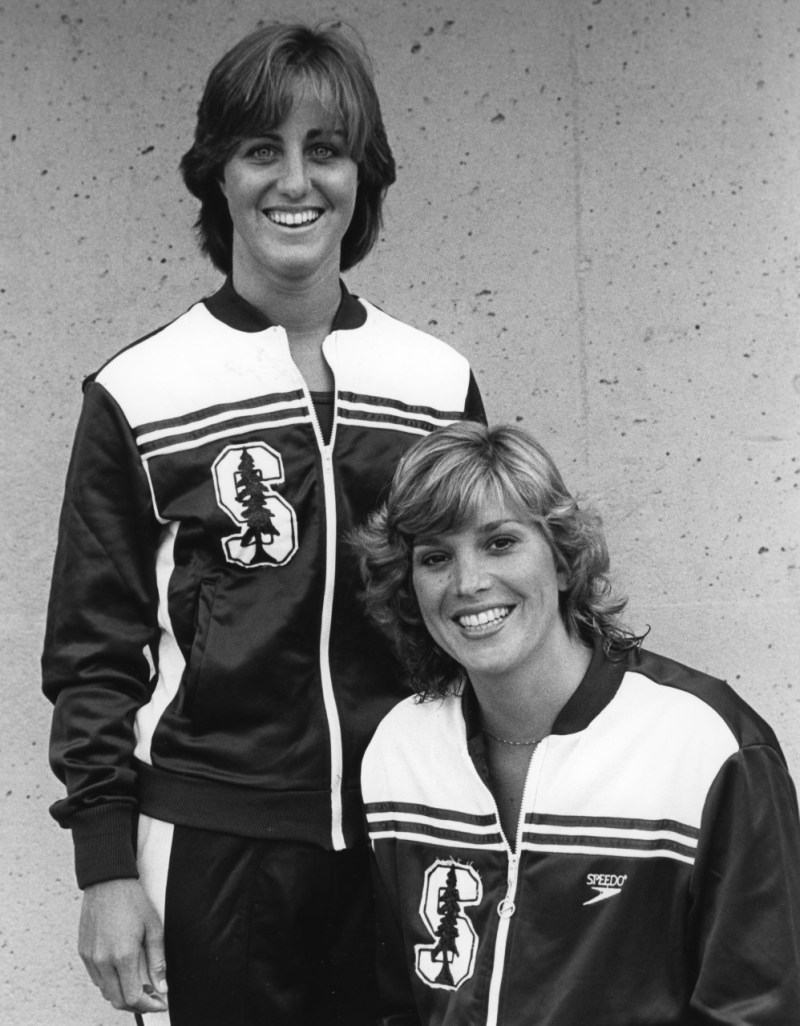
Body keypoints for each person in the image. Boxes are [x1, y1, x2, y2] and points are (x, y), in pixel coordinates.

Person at [41, 22, 484, 1026]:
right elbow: (92, 647)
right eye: (262, 150)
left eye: (324, 150)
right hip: (212, 843)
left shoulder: (434, 384)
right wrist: (105, 868)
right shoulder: (141, 393)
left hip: (407, 832)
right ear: (219, 177)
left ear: (361, 177)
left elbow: (478, 610)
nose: (296, 181)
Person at [353, 421, 800, 1025]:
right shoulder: (399, 750)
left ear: (563, 562)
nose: (469, 582)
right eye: (436, 557)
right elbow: (396, 1003)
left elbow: (757, 1007)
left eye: (500, 542)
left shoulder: (706, 744)